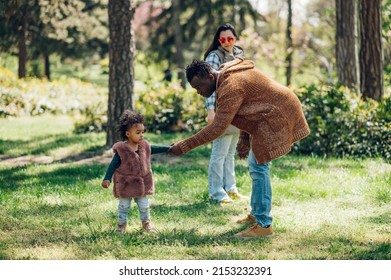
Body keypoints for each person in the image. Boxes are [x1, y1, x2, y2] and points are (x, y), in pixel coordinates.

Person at [168, 59, 310, 239]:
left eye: (199, 86)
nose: (199, 92)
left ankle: (264, 224)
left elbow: (217, 128)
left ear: (210, 76)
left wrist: (184, 146)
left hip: (277, 114)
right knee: (256, 165)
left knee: (259, 166)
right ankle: (257, 214)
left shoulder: (230, 86)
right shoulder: (225, 77)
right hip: (269, 112)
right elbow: (249, 107)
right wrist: (244, 138)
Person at [101, 110, 170, 233]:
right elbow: (112, 165)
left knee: (144, 206)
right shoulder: (121, 149)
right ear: (128, 134)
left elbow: (154, 148)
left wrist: (169, 148)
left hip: (141, 185)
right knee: (123, 206)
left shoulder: (144, 146)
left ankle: (146, 224)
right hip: (126, 184)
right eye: (138, 133)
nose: (142, 135)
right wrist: (107, 178)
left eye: (142, 132)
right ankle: (121, 225)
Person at [203, 23, 247, 204]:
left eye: (231, 38)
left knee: (229, 153)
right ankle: (216, 192)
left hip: (237, 110)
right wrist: (210, 110)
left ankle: (230, 188)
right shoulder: (214, 57)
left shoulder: (238, 54)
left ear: (235, 38)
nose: (227, 42)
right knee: (219, 152)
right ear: (218, 40)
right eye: (223, 39)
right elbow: (208, 85)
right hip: (220, 109)